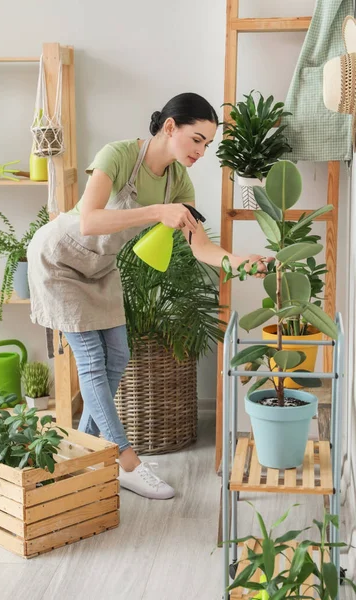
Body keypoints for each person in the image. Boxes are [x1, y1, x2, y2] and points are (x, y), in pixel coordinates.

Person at [27, 92, 269, 500]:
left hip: (100, 269)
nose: (201, 151)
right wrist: (157, 212)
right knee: (91, 360)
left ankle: (80, 458)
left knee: (118, 356)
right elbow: (89, 220)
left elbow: (200, 246)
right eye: (196, 139)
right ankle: (126, 461)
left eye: (207, 144)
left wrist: (237, 260)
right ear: (170, 127)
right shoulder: (118, 155)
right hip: (60, 262)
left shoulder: (179, 181)